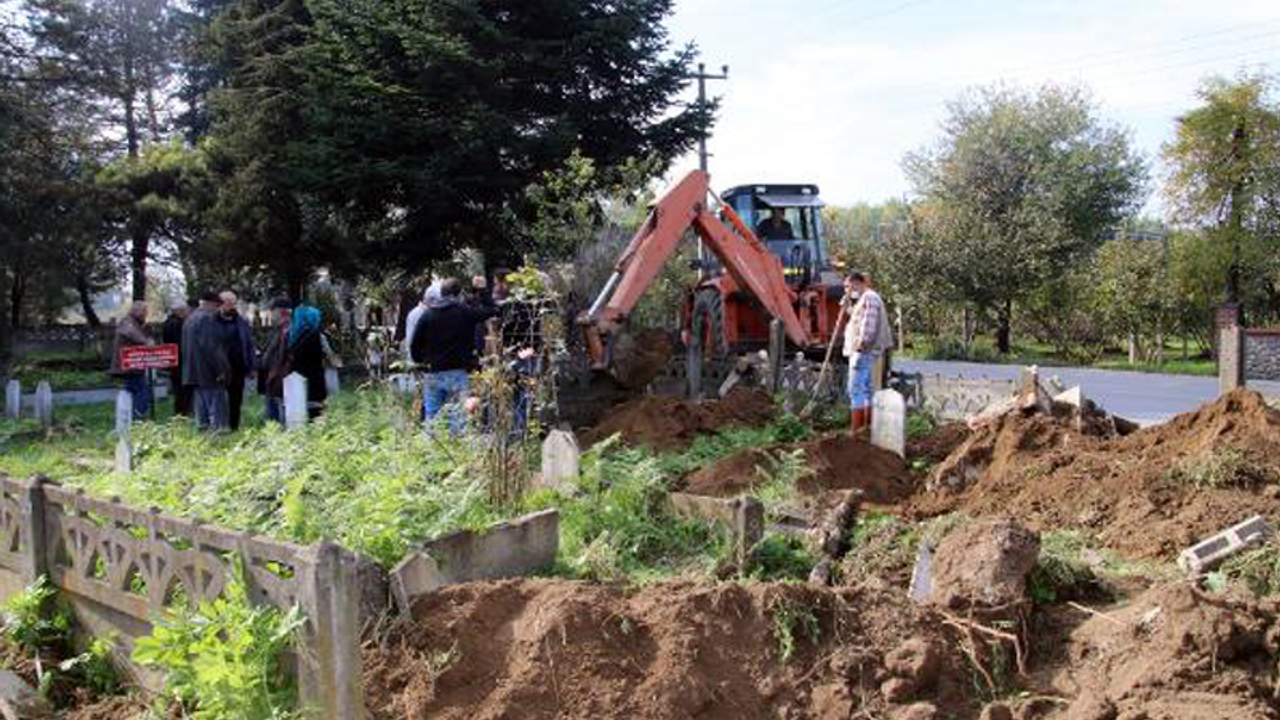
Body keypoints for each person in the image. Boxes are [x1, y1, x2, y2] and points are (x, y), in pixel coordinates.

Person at [409, 276, 498, 433]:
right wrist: (482, 290)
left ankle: (430, 453)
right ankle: (457, 450)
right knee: (458, 418)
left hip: (433, 371)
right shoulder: (464, 312)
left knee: (432, 416)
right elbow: (492, 310)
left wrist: (421, 361)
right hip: (457, 371)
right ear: (458, 294)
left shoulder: (428, 315)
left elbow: (415, 345)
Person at [843, 271, 893, 434]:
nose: (847, 289)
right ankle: (866, 428)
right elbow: (859, 318)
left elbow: (868, 325)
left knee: (855, 388)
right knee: (865, 389)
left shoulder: (869, 297)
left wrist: (860, 346)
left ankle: (856, 430)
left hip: (864, 351)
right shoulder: (866, 298)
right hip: (866, 351)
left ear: (856, 283)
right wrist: (848, 306)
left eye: (848, 286)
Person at [183, 292, 233, 431]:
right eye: (217, 306)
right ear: (210, 304)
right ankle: (219, 433)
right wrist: (221, 370)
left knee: (201, 408)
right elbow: (212, 347)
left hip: (194, 370)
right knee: (216, 407)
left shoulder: (190, 319)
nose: (217, 309)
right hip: (209, 372)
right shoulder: (208, 319)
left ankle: (203, 436)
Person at [219, 291, 257, 431]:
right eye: (228, 303)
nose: (231, 306)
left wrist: (252, 366)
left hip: (238, 367)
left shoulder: (241, 321)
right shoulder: (214, 320)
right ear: (221, 303)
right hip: (221, 367)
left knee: (236, 399)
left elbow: (249, 344)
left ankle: (234, 426)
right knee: (221, 399)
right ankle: (221, 425)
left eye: (233, 303)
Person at [111, 301, 155, 419]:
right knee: (144, 392)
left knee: (132, 391)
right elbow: (131, 332)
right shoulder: (127, 322)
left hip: (131, 365)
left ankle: (131, 416)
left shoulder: (134, 323)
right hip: (129, 366)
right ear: (136, 311)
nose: (146, 314)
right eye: (144, 312)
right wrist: (146, 342)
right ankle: (137, 417)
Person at [288, 301, 328, 420]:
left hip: (298, 377)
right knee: (315, 414)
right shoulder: (314, 335)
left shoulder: (294, 334)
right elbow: (318, 356)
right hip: (314, 378)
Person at [258, 298, 293, 425]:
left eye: (272, 312)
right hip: (272, 379)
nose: (271, 315)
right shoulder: (277, 330)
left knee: (283, 417)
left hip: (284, 379)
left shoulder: (292, 331)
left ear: (281, 312)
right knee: (272, 419)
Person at [161, 301, 193, 416]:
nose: (188, 313)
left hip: (173, 360)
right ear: (179, 311)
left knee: (178, 389)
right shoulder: (178, 324)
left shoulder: (167, 323)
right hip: (181, 361)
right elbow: (181, 343)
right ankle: (183, 413)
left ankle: (180, 412)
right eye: (186, 311)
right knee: (183, 390)